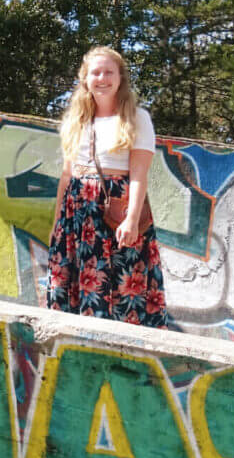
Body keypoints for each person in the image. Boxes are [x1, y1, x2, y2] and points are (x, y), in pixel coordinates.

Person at [47, 46, 168, 328]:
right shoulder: (76, 121)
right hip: (75, 212)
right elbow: (67, 175)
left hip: (115, 212)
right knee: (70, 282)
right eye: (95, 72)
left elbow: (139, 175)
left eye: (108, 72)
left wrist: (131, 220)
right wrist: (56, 222)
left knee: (120, 287)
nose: (102, 78)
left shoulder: (138, 118)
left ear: (120, 78)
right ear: (85, 79)